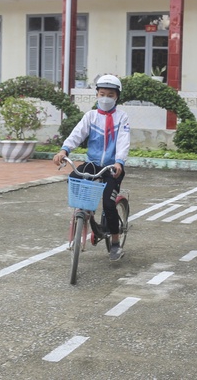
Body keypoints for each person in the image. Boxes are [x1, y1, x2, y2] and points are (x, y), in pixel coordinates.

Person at [52, 74, 131, 261]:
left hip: (112, 167)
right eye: (102, 93)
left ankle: (115, 243)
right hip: (93, 164)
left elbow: (123, 141)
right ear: (96, 95)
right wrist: (64, 151)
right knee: (75, 178)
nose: (105, 98)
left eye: (110, 95)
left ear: (117, 97)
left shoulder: (122, 117)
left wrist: (119, 161)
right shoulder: (91, 116)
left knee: (109, 205)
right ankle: (84, 214)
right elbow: (77, 134)